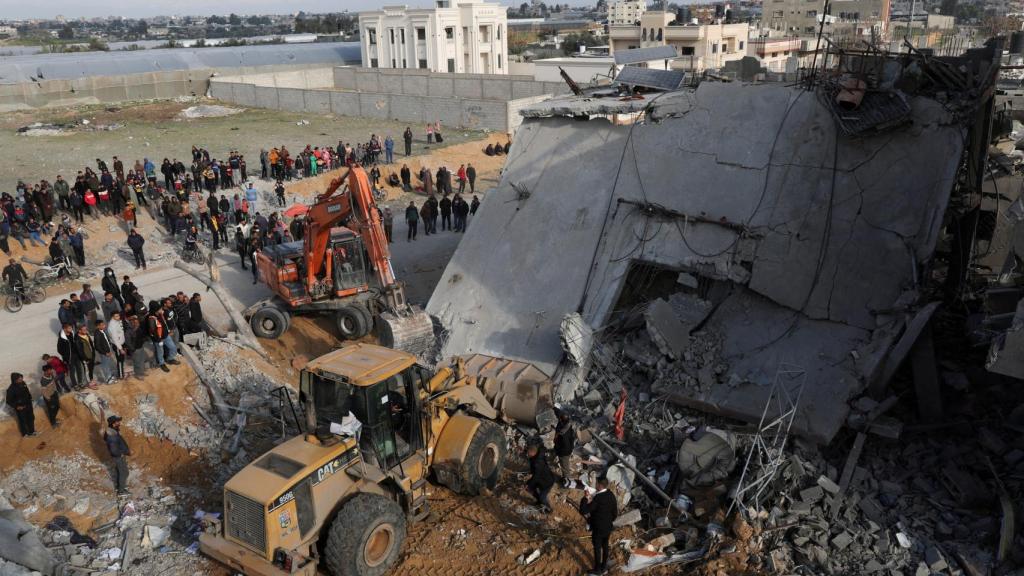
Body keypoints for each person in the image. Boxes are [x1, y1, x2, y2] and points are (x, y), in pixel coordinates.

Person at [580, 476, 617, 574]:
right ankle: (603, 566)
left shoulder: (598, 498)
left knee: (597, 548)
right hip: (608, 526)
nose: (595, 485)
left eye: (596, 483)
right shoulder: (611, 494)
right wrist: (608, 521)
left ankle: (597, 569)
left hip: (598, 528)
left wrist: (585, 498)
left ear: (600, 485)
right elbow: (615, 513)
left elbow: (584, 510)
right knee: (605, 546)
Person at [147, 303, 179, 372]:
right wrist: (159, 340)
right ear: (156, 310)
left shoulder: (160, 315)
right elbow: (153, 331)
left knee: (173, 347)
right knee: (160, 352)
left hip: (166, 336)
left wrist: (168, 331)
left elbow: (164, 324)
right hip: (159, 339)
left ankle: (170, 359)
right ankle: (162, 364)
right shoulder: (151, 319)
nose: (161, 309)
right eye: (160, 309)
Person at [105, 415, 131, 496]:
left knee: (121, 472)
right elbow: (113, 450)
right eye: (117, 422)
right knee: (124, 472)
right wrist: (121, 454)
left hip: (119, 455)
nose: (119, 423)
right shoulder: (112, 435)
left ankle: (120, 486)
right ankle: (121, 491)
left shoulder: (113, 431)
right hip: (118, 457)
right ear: (113, 424)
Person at [526, 443, 555, 513]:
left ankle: (549, 509)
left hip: (547, 482)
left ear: (532, 453)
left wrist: (529, 483)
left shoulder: (538, 463)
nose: (527, 454)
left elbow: (536, 476)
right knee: (530, 488)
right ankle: (539, 501)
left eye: (528, 453)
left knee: (542, 497)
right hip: (542, 478)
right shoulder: (537, 456)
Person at [6, 373, 36, 437]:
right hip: (21, 408)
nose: (21, 379)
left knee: (31, 418)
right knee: (23, 421)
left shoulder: (23, 383)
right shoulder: (11, 389)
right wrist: (16, 406)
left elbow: (27, 391)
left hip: (28, 405)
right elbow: (8, 401)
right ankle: (25, 434)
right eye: (19, 378)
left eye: (21, 378)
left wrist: (30, 397)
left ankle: (32, 431)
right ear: (15, 380)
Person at [554, 410, 576, 486]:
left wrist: (559, 451)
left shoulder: (563, 432)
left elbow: (564, 443)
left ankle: (567, 483)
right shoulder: (567, 425)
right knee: (565, 466)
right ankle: (566, 479)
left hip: (564, 452)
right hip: (567, 450)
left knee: (565, 467)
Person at [107, 310, 126, 380]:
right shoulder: (112, 326)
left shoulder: (117, 321)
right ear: (112, 317)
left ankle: (122, 372)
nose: (118, 317)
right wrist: (120, 348)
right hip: (118, 345)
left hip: (121, 342)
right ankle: (121, 375)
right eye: (116, 316)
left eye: (118, 315)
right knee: (120, 360)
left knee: (122, 358)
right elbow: (115, 339)